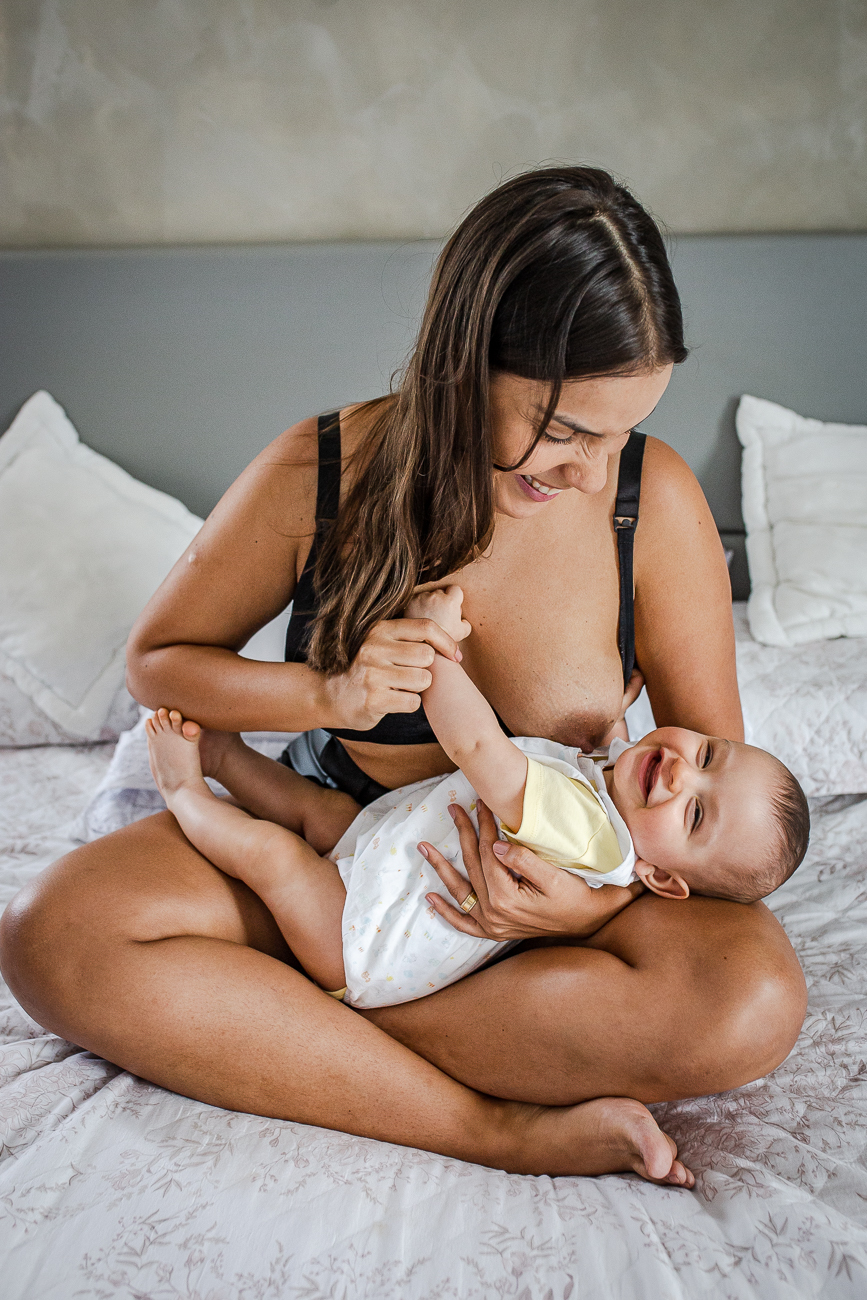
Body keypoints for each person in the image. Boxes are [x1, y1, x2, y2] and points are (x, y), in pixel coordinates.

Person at [0, 166, 807, 1186]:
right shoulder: (326, 470)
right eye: (563, 431)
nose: (592, 473)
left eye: (621, 432)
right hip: (346, 861)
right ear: (464, 358)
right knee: (52, 934)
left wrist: (583, 912)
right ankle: (486, 1123)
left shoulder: (652, 506)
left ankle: (296, 1024)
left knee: (756, 995)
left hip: (547, 919)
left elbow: (716, 838)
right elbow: (159, 660)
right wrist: (326, 697)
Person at [143, 585, 809, 1012]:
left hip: (355, 944)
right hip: (373, 869)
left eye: (694, 812)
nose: (679, 774)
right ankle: (227, 754)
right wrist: (614, 734)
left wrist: (434, 646)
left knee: (276, 855)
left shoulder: (587, 831)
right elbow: (605, 769)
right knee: (324, 814)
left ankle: (185, 791)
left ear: (660, 877)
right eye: (707, 755)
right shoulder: (610, 811)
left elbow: (478, 750)